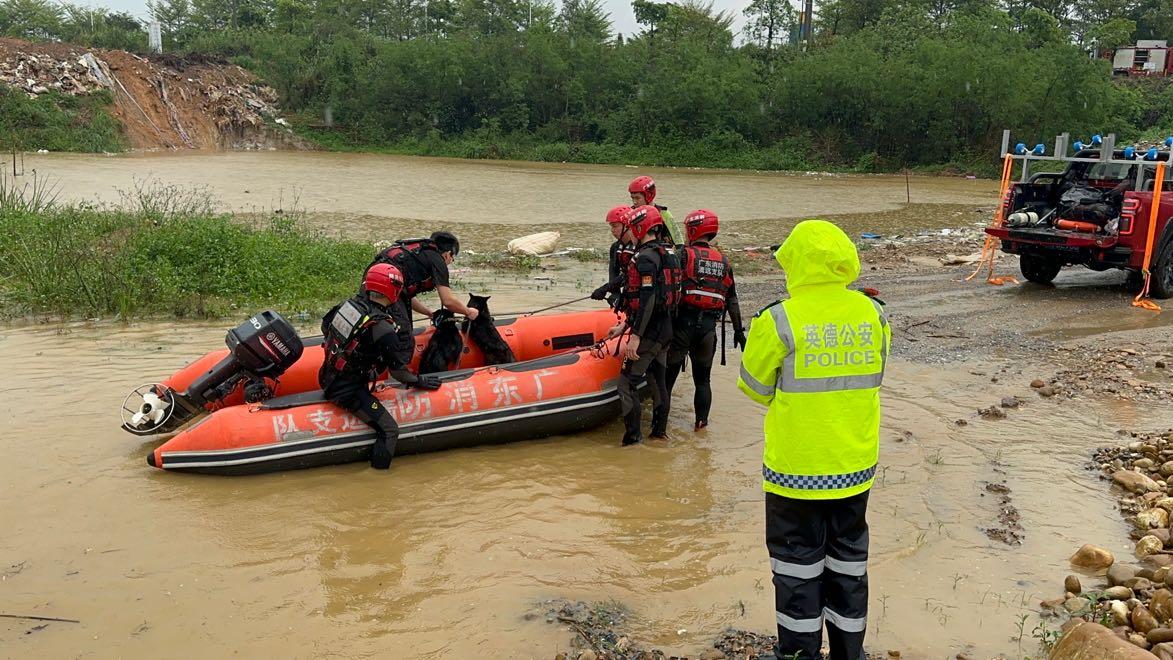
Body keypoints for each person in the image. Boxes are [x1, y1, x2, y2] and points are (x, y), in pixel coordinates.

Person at [736, 220, 890, 660]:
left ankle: (800, 654)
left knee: (795, 569)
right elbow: (875, 375)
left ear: (795, 264)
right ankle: (849, 653)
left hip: (795, 473)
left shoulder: (779, 319)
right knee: (849, 566)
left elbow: (754, 387)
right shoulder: (873, 314)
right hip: (855, 469)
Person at [319, 263, 442, 470]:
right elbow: (398, 372)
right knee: (389, 431)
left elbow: (326, 327)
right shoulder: (383, 329)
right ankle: (379, 479)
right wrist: (420, 381)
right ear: (392, 290)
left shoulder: (349, 305)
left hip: (326, 375)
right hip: (346, 390)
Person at [605, 205, 681, 445]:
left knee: (626, 384)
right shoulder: (667, 252)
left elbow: (647, 300)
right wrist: (624, 326)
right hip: (666, 328)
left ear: (639, 228)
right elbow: (658, 299)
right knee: (659, 380)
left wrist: (635, 336)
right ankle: (659, 434)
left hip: (651, 332)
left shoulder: (646, 258)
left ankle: (632, 439)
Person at [664, 209, 746, 430]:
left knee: (667, 381)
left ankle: (659, 432)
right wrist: (739, 332)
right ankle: (701, 426)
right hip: (708, 330)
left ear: (692, 230)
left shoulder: (683, 255)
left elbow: (669, 289)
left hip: (682, 326)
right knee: (703, 381)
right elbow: (732, 299)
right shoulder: (724, 262)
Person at [370, 231, 481, 322]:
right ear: (448, 253)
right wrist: (468, 311)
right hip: (385, 290)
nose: (451, 261)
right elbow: (448, 301)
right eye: (453, 257)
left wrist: (428, 312)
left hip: (372, 282)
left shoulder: (419, 252)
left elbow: (405, 295)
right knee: (404, 339)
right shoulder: (438, 260)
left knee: (377, 322)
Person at [590, 205, 634, 304]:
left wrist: (605, 288)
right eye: (611, 226)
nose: (612, 230)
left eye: (615, 226)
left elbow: (630, 275)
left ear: (627, 226)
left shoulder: (640, 247)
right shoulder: (615, 247)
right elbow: (613, 272)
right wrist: (615, 294)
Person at [628, 176, 681, 244]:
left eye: (637, 198)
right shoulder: (631, 214)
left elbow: (678, 239)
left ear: (649, 195)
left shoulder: (664, 213)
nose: (634, 202)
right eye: (632, 198)